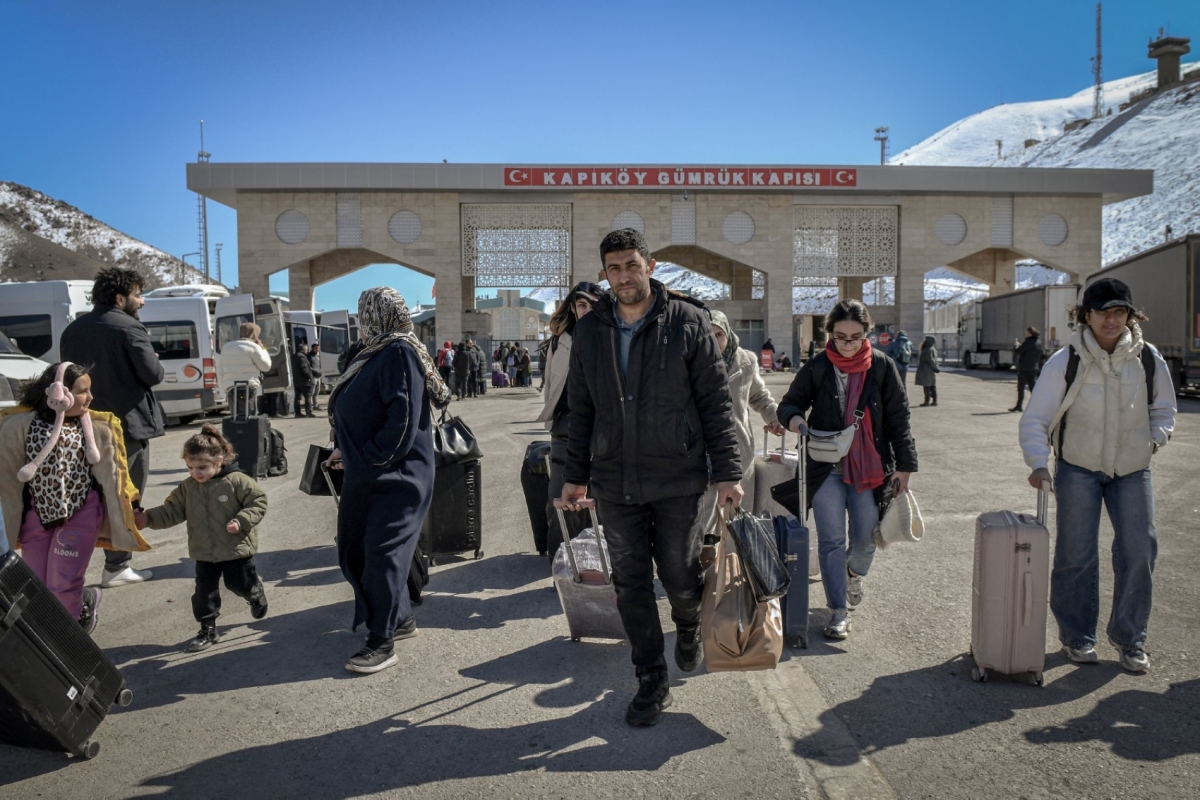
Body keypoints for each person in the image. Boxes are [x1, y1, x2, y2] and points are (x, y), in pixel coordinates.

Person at [561, 228, 742, 727]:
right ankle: (650, 679)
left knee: (681, 572)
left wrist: (728, 474)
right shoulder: (590, 332)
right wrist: (574, 477)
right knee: (631, 583)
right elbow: (580, 410)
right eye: (614, 268)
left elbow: (714, 404)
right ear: (604, 273)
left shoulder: (687, 322)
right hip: (614, 479)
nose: (623, 276)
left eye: (631, 265)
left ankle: (687, 622)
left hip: (677, 475)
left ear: (651, 265)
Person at [1018, 278, 1176, 672]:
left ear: (1130, 315)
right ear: (1085, 316)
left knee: (1140, 551)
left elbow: (1164, 410)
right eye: (1103, 311)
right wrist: (1039, 462)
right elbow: (1036, 418)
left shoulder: (1148, 358)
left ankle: (1130, 639)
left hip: (1132, 471)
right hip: (1078, 469)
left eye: (1119, 311)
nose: (1111, 319)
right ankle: (1077, 637)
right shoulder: (1066, 361)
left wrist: (1152, 442)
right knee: (1076, 555)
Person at [777, 299, 917, 640]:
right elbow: (790, 403)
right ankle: (838, 610)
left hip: (869, 468)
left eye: (856, 337)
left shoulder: (882, 367)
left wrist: (906, 465)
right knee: (831, 540)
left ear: (867, 334)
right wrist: (795, 420)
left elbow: (899, 419)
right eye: (841, 337)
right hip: (826, 468)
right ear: (830, 335)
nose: (849, 344)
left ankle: (854, 573)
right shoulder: (819, 366)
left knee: (867, 538)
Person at [326, 288, 449, 674]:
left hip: (398, 474)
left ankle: (381, 641)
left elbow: (404, 420)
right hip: (367, 470)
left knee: (381, 553)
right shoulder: (368, 353)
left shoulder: (398, 352)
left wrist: (369, 457)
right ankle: (400, 617)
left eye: (368, 312)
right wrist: (344, 449)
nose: (364, 318)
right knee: (358, 548)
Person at [0, 362, 150, 634]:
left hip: (80, 514)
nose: (90, 398)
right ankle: (77, 609)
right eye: (83, 392)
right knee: (38, 585)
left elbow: (116, 474)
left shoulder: (96, 427)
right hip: (38, 517)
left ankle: (68, 642)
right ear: (59, 392)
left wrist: (134, 505)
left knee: (62, 582)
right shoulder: (19, 426)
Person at [60, 267, 162, 588]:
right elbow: (153, 374)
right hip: (125, 429)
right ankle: (117, 567)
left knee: (87, 497)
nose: (142, 301)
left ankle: (64, 568)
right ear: (120, 298)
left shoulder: (72, 330)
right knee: (124, 495)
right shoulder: (130, 328)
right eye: (137, 294)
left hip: (83, 426)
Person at [134, 425, 268, 651]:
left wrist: (241, 520)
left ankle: (254, 593)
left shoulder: (237, 481)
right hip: (203, 551)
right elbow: (172, 510)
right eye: (190, 468)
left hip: (236, 548)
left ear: (219, 459)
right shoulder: (188, 488)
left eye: (202, 467)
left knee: (239, 584)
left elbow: (258, 501)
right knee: (204, 593)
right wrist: (147, 519)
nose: (197, 473)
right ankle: (207, 629)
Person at [536, 281, 603, 562]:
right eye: (581, 305)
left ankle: (595, 559)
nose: (586, 310)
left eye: (592, 305)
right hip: (565, 426)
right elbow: (551, 380)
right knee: (560, 499)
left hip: (600, 428)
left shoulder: (610, 336)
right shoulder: (561, 339)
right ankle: (560, 561)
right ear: (573, 309)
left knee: (595, 497)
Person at [706, 310, 785, 514]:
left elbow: (759, 396)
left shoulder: (746, 361)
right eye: (708, 335)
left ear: (728, 334)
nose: (714, 341)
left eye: (719, 335)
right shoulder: (691, 360)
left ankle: (733, 547)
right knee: (701, 526)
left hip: (738, 450)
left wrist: (775, 418)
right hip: (701, 452)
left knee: (735, 521)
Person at [218, 322, 272, 412]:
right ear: (254, 334)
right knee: (250, 416)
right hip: (249, 386)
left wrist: (224, 389)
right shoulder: (254, 347)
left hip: (231, 386)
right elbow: (266, 366)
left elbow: (220, 370)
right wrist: (263, 349)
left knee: (235, 417)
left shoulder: (226, 347)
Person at [1010, 327, 1042, 413]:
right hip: (1034, 368)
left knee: (1021, 388)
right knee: (1033, 388)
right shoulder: (1038, 343)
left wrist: (1016, 345)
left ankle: (1019, 406)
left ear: (1030, 333)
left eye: (1027, 332)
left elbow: (1018, 351)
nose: (1025, 333)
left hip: (1025, 368)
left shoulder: (1028, 342)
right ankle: (1038, 406)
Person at [292, 344, 316, 418]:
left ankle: (297, 413)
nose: (307, 350)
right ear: (303, 350)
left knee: (297, 397)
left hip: (296, 381)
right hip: (305, 381)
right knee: (308, 396)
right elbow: (304, 368)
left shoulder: (293, 356)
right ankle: (308, 413)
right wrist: (310, 377)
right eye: (306, 349)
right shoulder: (302, 357)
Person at [915, 335, 939, 407]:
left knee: (927, 386)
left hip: (926, 369)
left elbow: (930, 360)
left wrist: (934, 367)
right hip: (931, 370)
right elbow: (933, 360)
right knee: (932, 385)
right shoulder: (933, 349)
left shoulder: (927, 349)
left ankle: (927, 401)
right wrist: (935, 367)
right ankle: (934, 401)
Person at [308, 342, 323, 411]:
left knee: (317, 391)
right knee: (312, 391)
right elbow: (308, 366)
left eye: (318, 348)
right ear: (312, 348)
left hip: (318, 376)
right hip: (313, 376)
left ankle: (315, 405)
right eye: (316, 348)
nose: (317, 350)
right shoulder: (309, 356)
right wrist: (314, 371)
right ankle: (310, 406)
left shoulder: (317, 356)